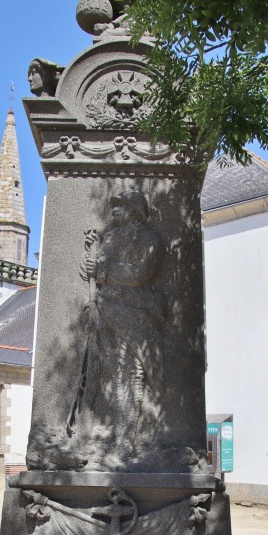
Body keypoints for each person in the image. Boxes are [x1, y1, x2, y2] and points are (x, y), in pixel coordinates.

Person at [78, 190, 166, 466]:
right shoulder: (109, 239)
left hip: (134, 315)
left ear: (134, 210)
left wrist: (101, 268)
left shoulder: (149, 240)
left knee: (131, 377)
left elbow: (139, 274)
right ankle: (107, 433)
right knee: (107, 378)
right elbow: (95, 273)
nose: (113, 211)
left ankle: (128, 441)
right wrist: (91, 264)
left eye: (120, 206)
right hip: (105, 311)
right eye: (113, 206)